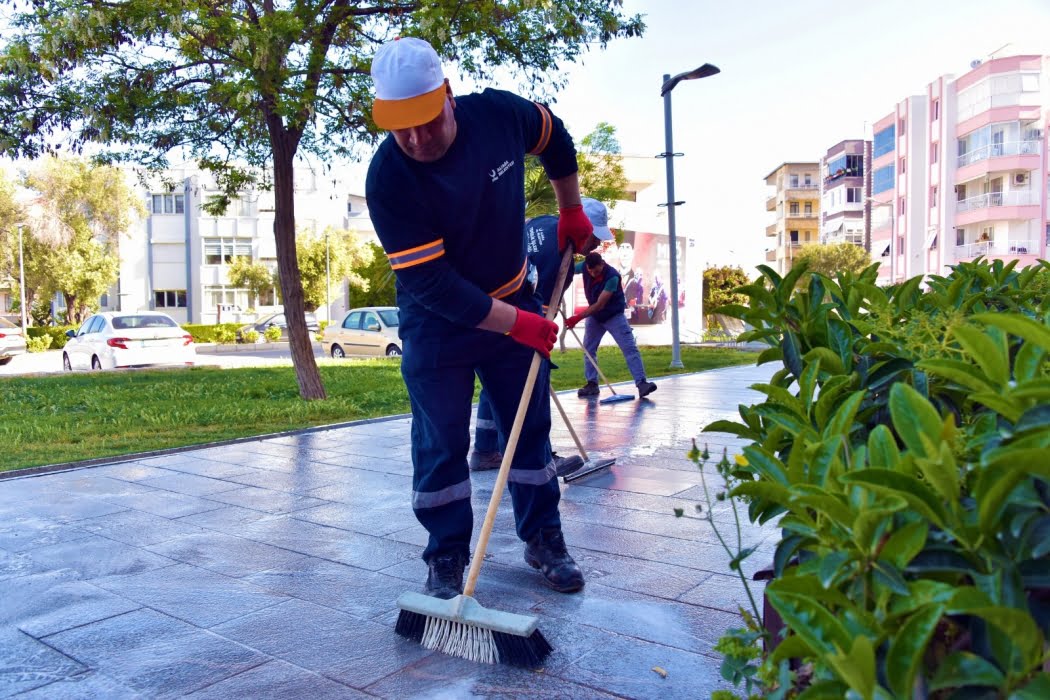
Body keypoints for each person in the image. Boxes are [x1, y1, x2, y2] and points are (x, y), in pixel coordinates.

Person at [365, 37, 593, 600]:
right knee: (440, 441)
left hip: (512, 293)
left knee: (529, 431)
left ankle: (543, 538)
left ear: (447, 95)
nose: (416, 139)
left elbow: (556, 138)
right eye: (400, 128)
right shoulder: (388, 178)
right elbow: (437, 285)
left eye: (425, 121)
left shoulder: (498, 116)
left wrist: (571, 209)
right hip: (436, 322)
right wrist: (521, 325)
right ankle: (446, 556)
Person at [470, 200, 612, 472]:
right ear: (583, 228)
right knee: (531, 383)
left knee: (494, 381)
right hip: (513, 318)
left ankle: (486, 451)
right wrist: (538, 349)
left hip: (487, 309)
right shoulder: (560, 261)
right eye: (594, 237)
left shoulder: (545, 223)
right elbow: (542, 317)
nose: (595, 245)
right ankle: (541, 457)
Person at [565, 206, 658, 399]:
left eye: (596, 271)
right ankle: (592, 384)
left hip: (613, 316)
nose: (592, 274)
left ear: (602, 265)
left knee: (629, 348)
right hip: (596, 318)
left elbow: (600, 305)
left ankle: (641, 384)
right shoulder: (586, 267)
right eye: (589, 271)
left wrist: (576, 318)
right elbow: (569, 269)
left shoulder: (612, 276)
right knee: (588, 349)